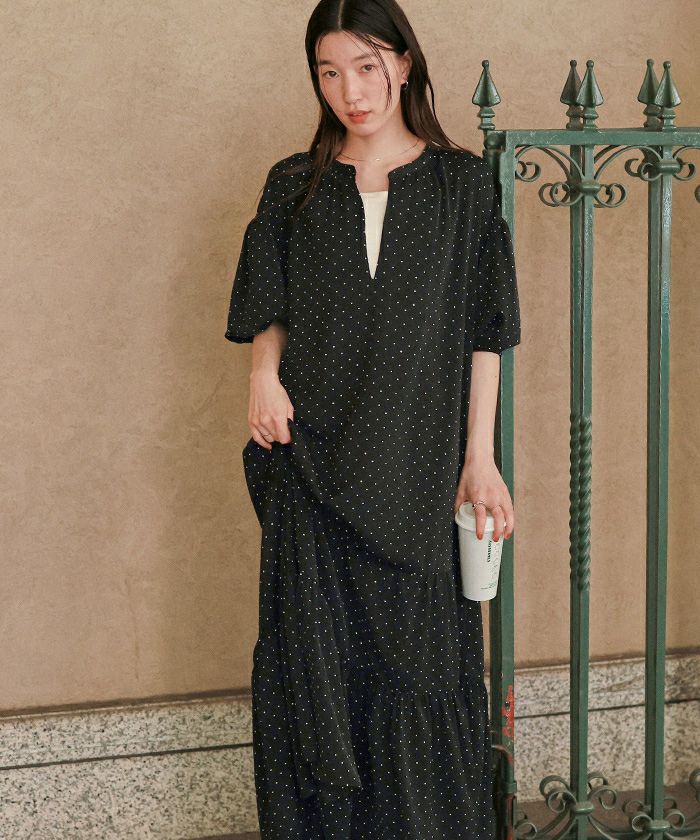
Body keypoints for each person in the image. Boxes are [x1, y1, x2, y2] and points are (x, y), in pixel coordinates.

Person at [224, 1, 521, 837]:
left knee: (421, 683)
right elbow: (268, 303)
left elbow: (487, 332)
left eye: (366, 66)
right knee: (315, 680)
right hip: (311, 470)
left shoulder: (462, 185)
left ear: (402, 62)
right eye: (329, 72)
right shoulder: (295, 184)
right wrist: (262, 376)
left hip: (421, 474)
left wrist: (480, 457)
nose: (350, 91)